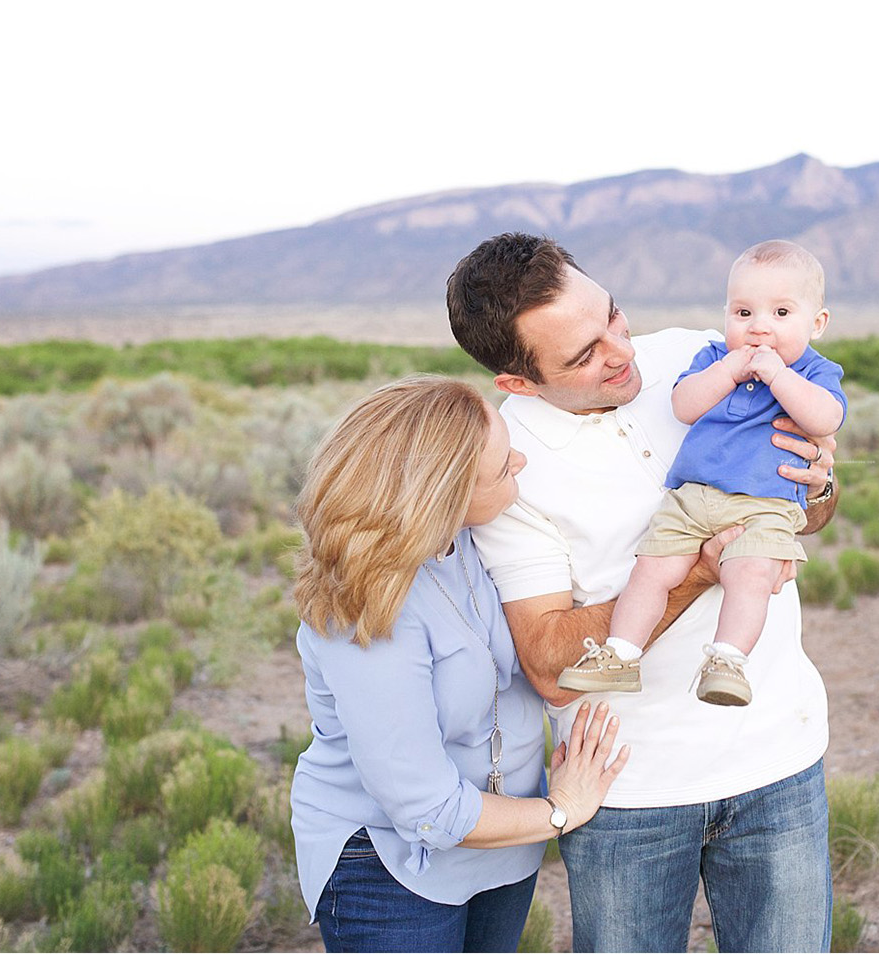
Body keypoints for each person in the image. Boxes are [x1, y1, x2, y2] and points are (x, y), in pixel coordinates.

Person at [447, 234, 839, 952]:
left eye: (614, 318)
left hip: (779, 756)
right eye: (582, 356)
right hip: (630, 796)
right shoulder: (504, 467)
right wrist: (699, 566)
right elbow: (548, 666)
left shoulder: (705, 355)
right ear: (520, 384)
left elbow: (809, 507)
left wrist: (818, 486)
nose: (620, 352)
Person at [289, 375, 630, 953]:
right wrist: (559, 812)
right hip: (393, 869)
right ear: (445, 495)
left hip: (502, 850)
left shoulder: (472, 541)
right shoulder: (369, 607)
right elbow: (426, 809)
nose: (520, 461)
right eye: (502, 467)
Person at [557, 240, 845, 706]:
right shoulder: (712, 357)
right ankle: (621, 653)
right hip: (692, 497)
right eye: (744, 313)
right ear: (726, 313)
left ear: (818, 323)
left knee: (750, 574)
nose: (760, 329)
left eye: (782, 314)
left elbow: (825, 420)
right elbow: (684, 405)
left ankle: (728, 661)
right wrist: (730, 370)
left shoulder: (814, 370)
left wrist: (778, 376)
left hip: (764, 503)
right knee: (651, 571)